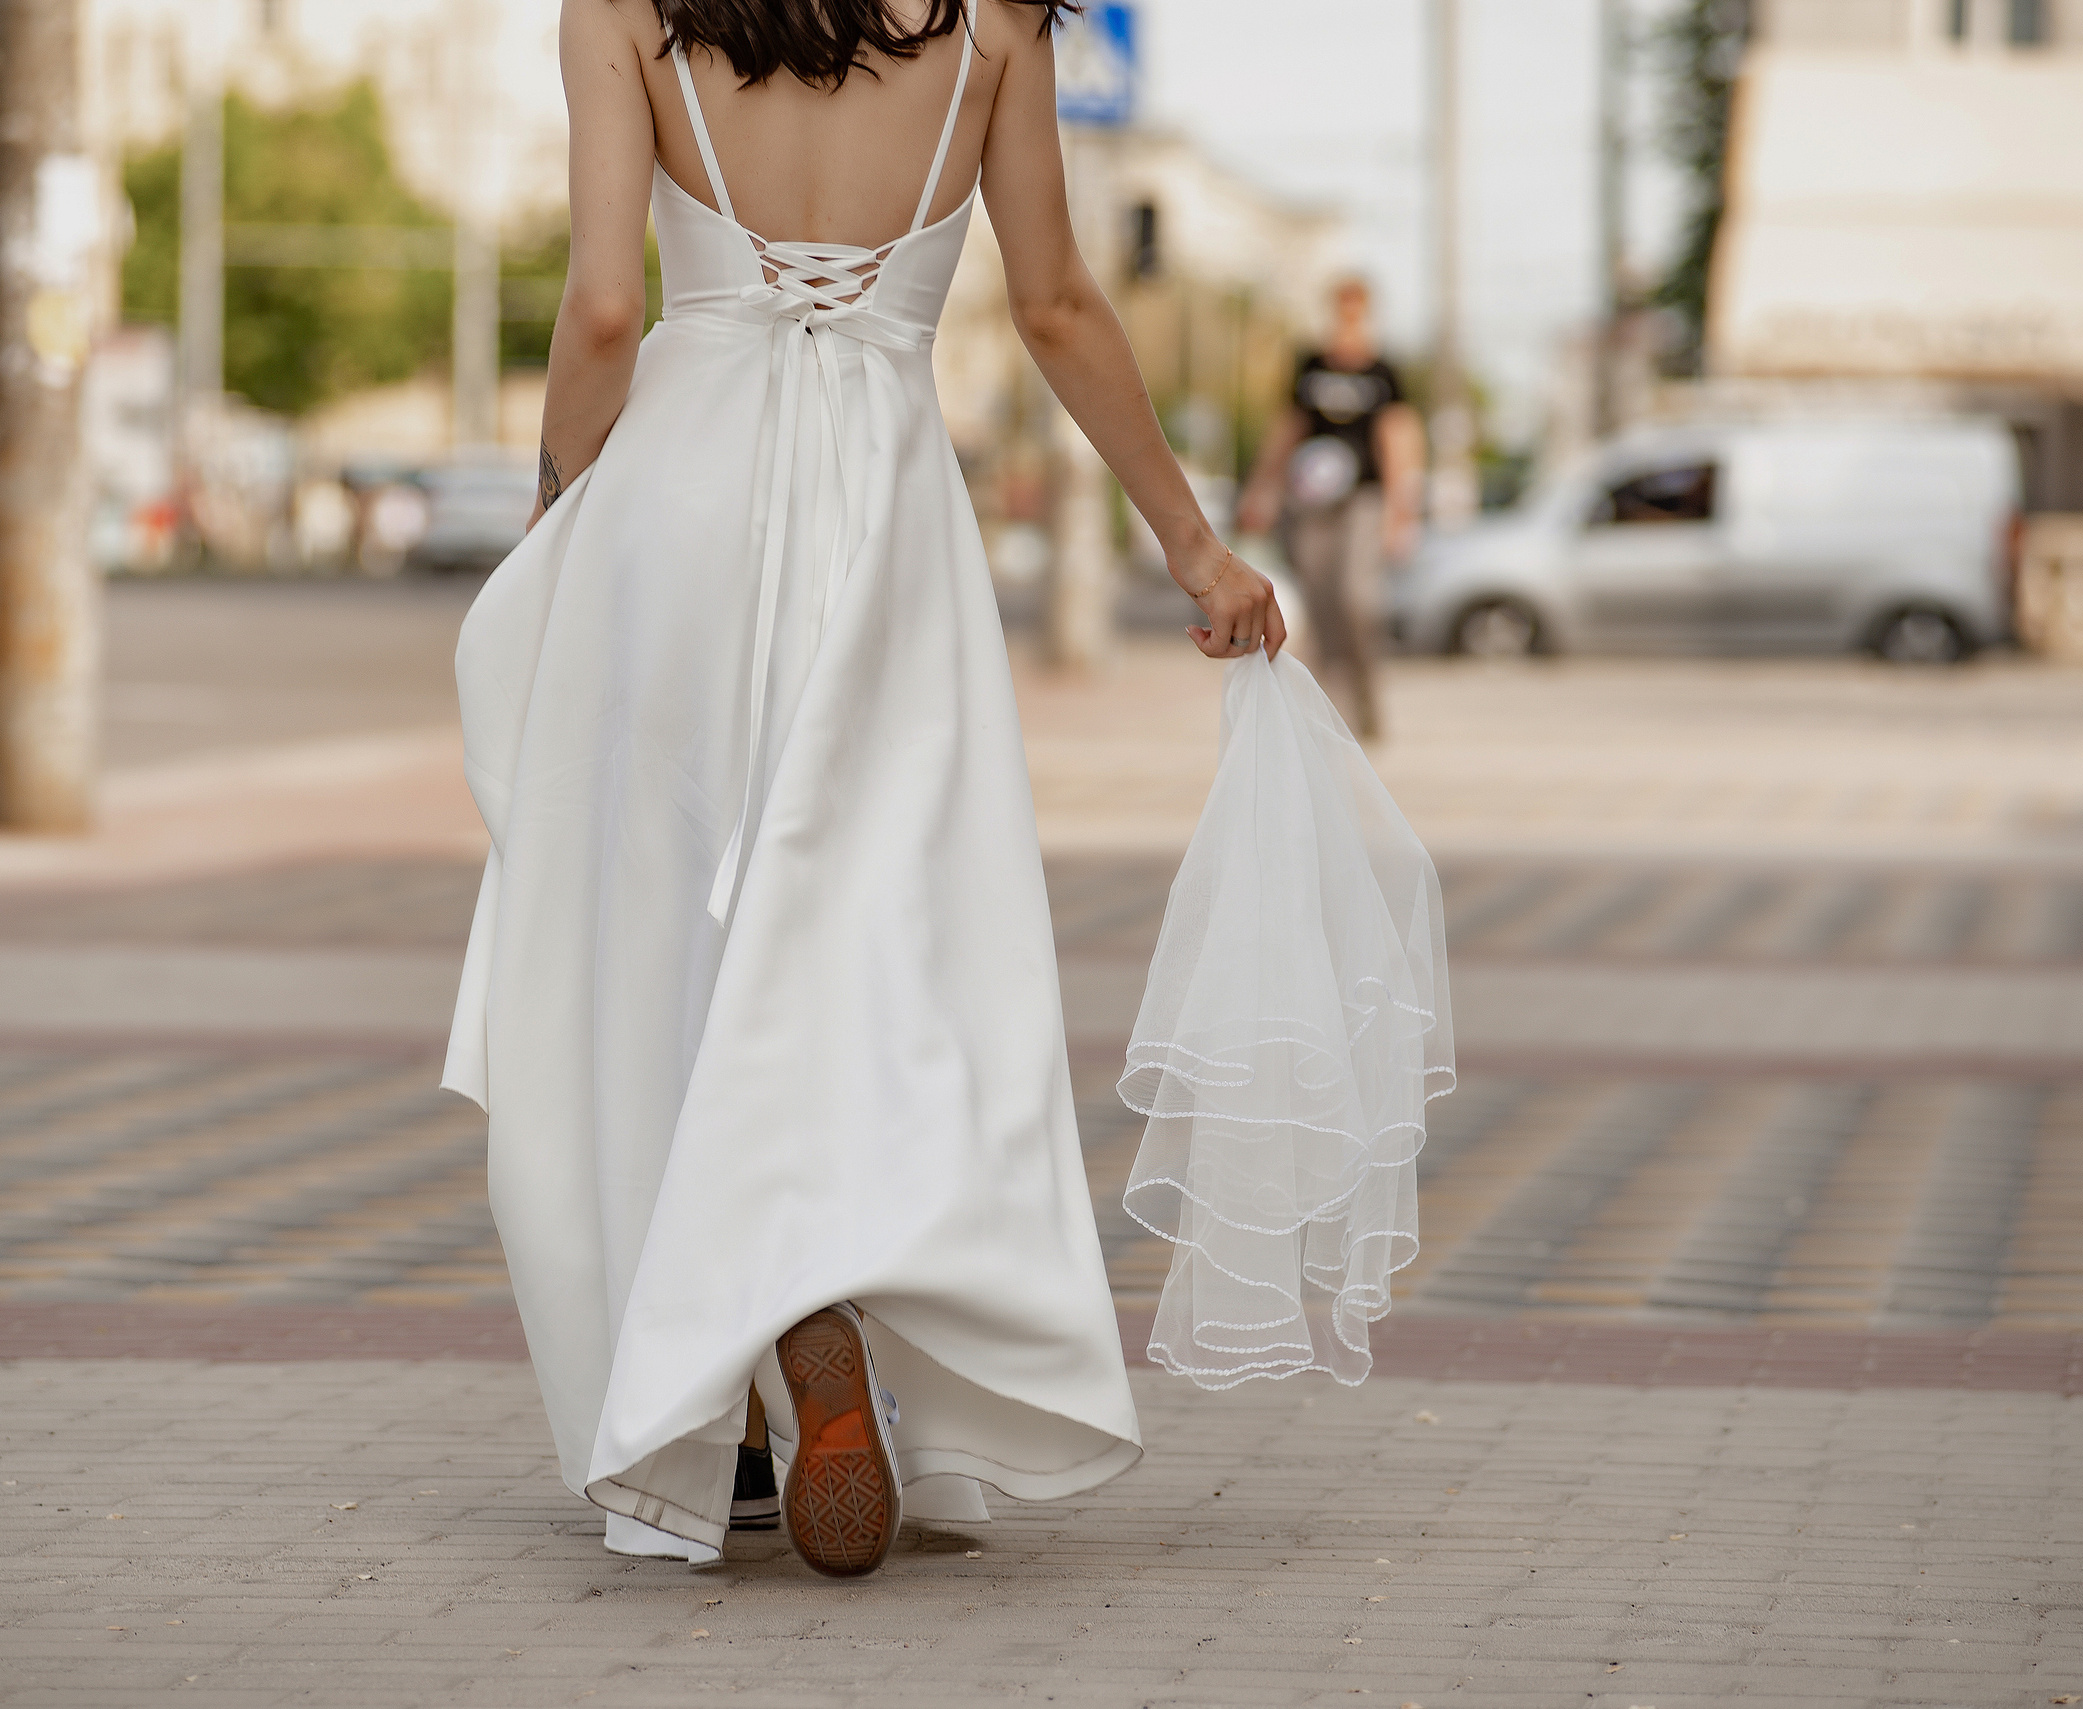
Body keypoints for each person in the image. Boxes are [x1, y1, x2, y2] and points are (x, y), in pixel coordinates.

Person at [442, 0, 1284, 1580]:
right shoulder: (996, 27)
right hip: (884, 528)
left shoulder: (624, 10)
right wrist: (1189, 537)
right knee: (883, 950)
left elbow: (609, 308)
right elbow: (1058, 307)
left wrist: (557, 507)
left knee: (658, 949)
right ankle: (845, 1323)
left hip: (675, 518)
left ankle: (738, 1395)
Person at [1235, 277, 1424, 741]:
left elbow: (1397, 439)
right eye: (1342, 307)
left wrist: (1403, 511)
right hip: (1310, 502)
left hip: (1362, 499)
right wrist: (1261, 490)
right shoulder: (1311, 364)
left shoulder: (1382, 371)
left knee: (1356, 598)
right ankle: (1330, 712)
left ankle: (1367, 697)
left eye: (1357, 308)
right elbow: (1288, 430)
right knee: (1320, 607)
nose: (1348, 316)